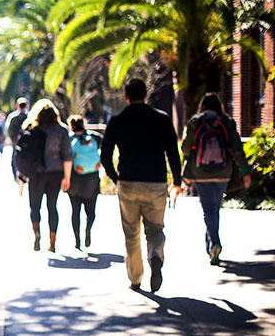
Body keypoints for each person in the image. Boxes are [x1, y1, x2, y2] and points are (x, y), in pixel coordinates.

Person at [100, 78, 182, 292]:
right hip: (156, 182)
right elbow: (173, 152)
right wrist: (177, 181)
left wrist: (115, 178)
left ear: (126, 96)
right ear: (146, 94)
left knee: (131, 232)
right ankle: (155, 255)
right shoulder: (162, 119)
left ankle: (136, 278)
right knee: (155, 229)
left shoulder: (117, 120)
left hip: (128, 181)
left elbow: (105, 155)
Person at [181, 93, 251, 265]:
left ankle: (214, 244)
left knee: (208, 209)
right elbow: (237, 149)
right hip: (223, 172)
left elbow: (185, 147)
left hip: (201, 172)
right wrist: (245, 171)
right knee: (214, 208)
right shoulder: (227, 122)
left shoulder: (195, 121)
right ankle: (212, 244)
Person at [21, 99, 72, 252]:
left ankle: (37, 233)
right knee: (52, 207)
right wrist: (67, 177)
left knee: (35, 206)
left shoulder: (33, 129)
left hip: (36, 173)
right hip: (56, 173)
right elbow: (67, 155)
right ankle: (52, 241)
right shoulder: (62, 130)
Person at [67, 115, 102, 250]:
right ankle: (88, 229)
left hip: (74, 180)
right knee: (91, 211)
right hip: (92, 180)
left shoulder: (69, 140)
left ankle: (77, 239)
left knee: (75, 211)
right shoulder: (94, 138)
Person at [5, 98, 28, 181]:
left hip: (16, 143)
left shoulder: (13, 117)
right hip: (26, 143)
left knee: (15, 159)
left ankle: (16, 177)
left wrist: (12, 140)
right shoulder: (28, 117)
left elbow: (8, 130)